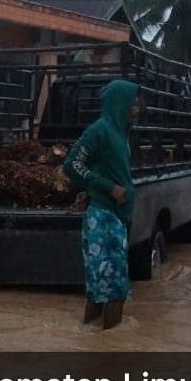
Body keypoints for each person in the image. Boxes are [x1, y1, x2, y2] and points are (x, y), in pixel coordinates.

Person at [63, 80, 140, 330]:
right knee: (113, 289)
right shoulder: (100, 130)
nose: (137, 109)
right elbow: (71, 164)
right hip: (103, 218)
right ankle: (110, 356)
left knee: (103, 288)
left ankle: (93, 342)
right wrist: (107, 187)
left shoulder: (120, 133)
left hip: (116, 216)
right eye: (133, 104)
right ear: (120, 104)